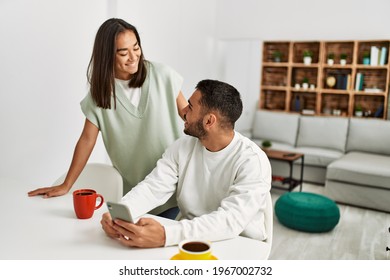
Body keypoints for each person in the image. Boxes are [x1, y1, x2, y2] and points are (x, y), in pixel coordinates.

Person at [28, 18, 187, 218]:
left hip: (174, 189)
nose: (133, 57)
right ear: (107, 55)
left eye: (136, 48)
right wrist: (66, 184)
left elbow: (188, 115)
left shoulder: (162, 75)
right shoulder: (100, 95)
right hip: (135, 196)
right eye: (123, 52)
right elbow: (86, 140)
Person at [100, 79, 272, 248]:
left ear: (209, 121)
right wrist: (121, 212)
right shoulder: (182, 147)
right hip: (188, 239)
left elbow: (230, 221)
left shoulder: (252, 161)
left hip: (240, 245)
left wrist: (166, 235)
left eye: (190, 107)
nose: (183, 110)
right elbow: (153, 187)